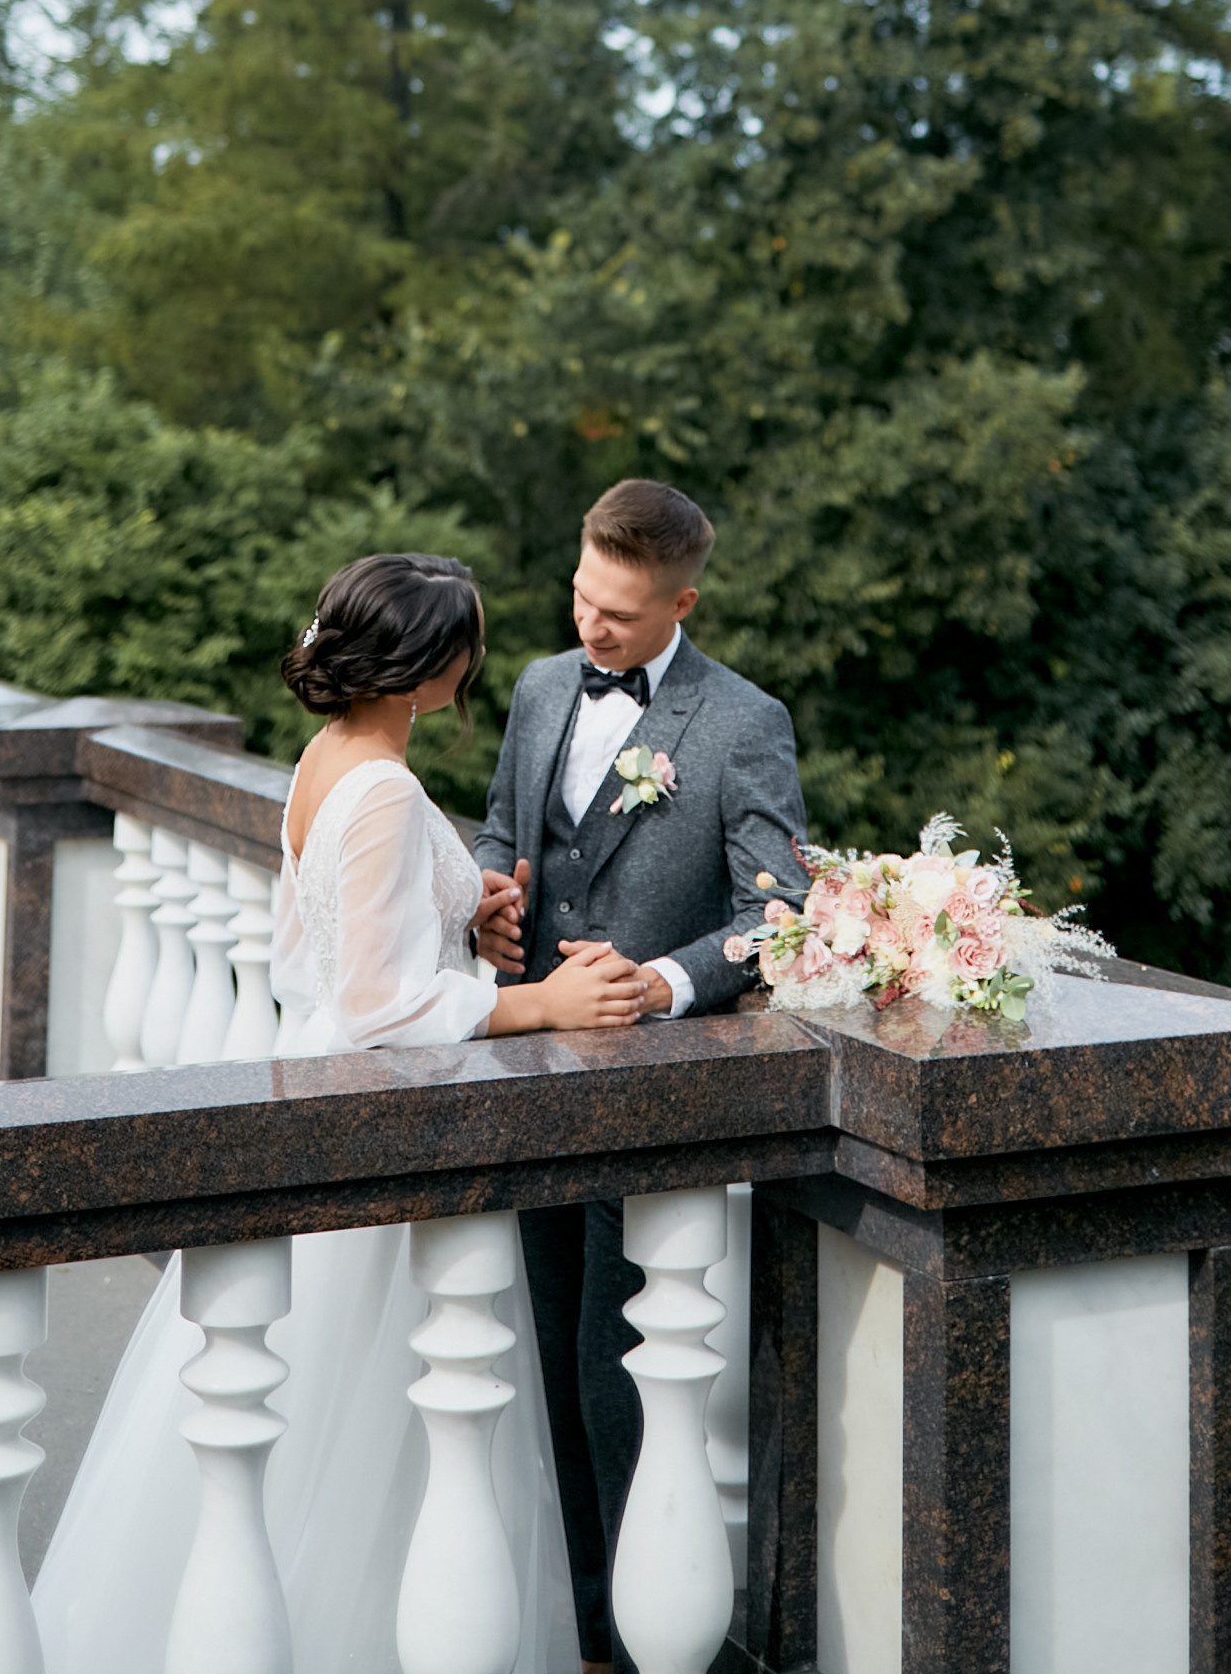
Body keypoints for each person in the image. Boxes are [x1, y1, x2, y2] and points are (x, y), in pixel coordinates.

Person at [32, 551, 643, 1674]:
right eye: (465, 645)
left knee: (329, 1411)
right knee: (373, 1420)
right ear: (432, 669)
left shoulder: (330, 758)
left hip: (319, 1076)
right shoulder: (383, 788)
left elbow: (309, 953)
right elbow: (370, 1007)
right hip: (377, 1110)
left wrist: (464, 903)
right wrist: (535, 1003)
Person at [474, 480, 808, 1674]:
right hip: (523, 1064)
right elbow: (495, 825)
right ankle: (577, 1618)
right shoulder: (536, 686)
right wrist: (486, 902)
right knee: (535, 1346)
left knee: (610, 1364)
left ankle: (640, 1628)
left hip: (645, 1088)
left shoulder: (741, 721)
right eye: (579, 597)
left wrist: (662, 984)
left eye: (616, 613)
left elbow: (780, 916)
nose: (589, 629)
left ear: (681, 601)